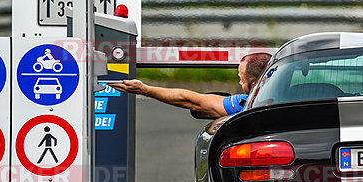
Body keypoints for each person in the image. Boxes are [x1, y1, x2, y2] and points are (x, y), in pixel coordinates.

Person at [109, 52, 271, 118]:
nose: (239, 83)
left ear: (255, 84)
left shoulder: (245, 105)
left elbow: (190, 100)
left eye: (241, 80)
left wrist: (145, 90)